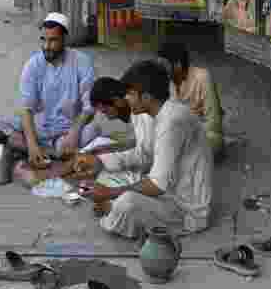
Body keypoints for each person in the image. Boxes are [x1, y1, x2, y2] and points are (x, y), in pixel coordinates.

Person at [77, 60, 213, 240]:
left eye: (130, 94)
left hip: (186, 211)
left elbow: (157, 185)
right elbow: (143, 155)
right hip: (169, 192)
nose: (126, 99)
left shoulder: (171, 122)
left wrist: (110, 193)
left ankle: (113, 209)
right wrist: (100, 161)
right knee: (107, 176)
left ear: (147, 97)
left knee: (126, 202)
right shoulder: (161, 114)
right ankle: (113, 206)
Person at [0, 13, 102, 171]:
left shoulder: (82, 62)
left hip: (66, 131)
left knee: (92, 131)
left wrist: (74, 133)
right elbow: (25, 108)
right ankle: (45, 153)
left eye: (53, 40)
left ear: (65, 39)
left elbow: (89, 106)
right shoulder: (33, 64)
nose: (47, 46)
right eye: (43, 39)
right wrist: (31, 144)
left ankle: (48, 152)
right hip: (37, 130)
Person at [157, 42, 225, 159]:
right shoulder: (164, 81)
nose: (159, 69)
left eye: (163, 65)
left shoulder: (203, 77)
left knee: (213, 142)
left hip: (202, 134)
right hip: (178, 134)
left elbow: (214, 124)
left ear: (177, 65)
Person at [87, 76, 156, 188]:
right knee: (100, 144)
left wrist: (105, 159)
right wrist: (110, 148)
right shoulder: (136, 114)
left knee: (104, 179)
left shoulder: (141, 114)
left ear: (117, 101)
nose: (107, 117)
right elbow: (140, 142)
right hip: (150, 162)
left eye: (106, 111)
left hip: (159, 175)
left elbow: (145, 159)